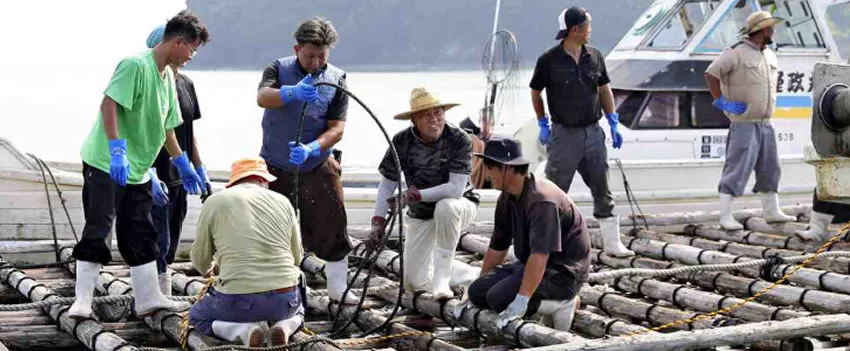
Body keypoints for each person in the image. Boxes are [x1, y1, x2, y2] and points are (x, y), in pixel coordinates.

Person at [67, 11, 208, 319]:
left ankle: (148, 299)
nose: (193, 56)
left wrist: (182, 164)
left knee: (140, 231)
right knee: (98, 227)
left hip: (139, 170)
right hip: (107, 163)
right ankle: (82, 301)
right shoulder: (135, 65)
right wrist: (117, 149)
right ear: (179, 42)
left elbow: (168, 127)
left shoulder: (168, 76)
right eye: (192, 48)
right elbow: (109, 103)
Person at [255, 17, 355, 303]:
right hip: (275, 164)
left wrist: (313, 147)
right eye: (311, 55)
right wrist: (291, 92)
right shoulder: (278, 68)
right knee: (274, 227)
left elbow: (337, 128)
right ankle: (278, 288)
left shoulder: (337, 78)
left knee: (333, 221)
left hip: (316, 162)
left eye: (322, 55)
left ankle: (337, 289)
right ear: (297, 48)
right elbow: (263, 97)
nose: (316, 62)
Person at [530, 7, 634, 257]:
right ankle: (549, 246)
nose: (590, 30)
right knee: (554, 191)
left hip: (593, 133)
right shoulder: (549, 60)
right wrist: (543, 123)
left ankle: (612, 243)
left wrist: (612, 120)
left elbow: (604, 89)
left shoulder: (595, 56)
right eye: (588, 26)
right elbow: (535, 91)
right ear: (575, 29)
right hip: (564, 135)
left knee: (602, 186)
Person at [457, 137, 588, 331]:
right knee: (478, 292)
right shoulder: (507, 197)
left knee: (499, 298)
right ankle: (530, 298)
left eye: (490, 166)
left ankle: (563, 303)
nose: (486, 173)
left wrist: (522, 299)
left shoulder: (542, 201)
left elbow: (541, 255)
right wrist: (479, 284)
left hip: (563, 273)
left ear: (507, 169)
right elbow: (497, 247)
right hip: (531, 265)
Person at [369, 87, 479, 299]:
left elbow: (455, 190)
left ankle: (442, 280)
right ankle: (470, 274)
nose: (435, 119)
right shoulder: (401, 141)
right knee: (413, 281)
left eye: (438, 113)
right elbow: (387, 185)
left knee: (445, 206)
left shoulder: (459, 138)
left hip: (459, 206)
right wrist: (377, 222)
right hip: (421, 212)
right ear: (414, 120)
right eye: (427, 115)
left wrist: (414, 195)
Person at [189, 157, 304, 347]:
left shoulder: (215, 201)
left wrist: (210, 269)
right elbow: (296, 257)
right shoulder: (284, 201)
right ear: (264, 180)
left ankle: (244, 332)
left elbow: (200, 259)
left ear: (234, 181)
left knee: (197, 317)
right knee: (300, 310)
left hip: (238, 301)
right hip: (285, 300)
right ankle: (286, 326)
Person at [704, 11, 796, 230]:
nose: (774, 31)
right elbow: (711, 74)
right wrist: (722, 102)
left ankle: (772, 211)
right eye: (771, 28)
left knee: (770, 167)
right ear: (763, 30)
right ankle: (726, 216)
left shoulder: (770, 55)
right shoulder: (735, 53)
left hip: (766, 122)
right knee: (737, 168)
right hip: (743, 123)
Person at [144, 23, 212, 295]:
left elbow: (188, 131)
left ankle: (162, 289)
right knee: (154, 237)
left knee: (171, 235)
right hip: (154, 172)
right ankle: (154, 294)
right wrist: (147, 171)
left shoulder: (186, 84)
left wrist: (199, 167)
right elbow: (150, 129)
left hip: (179, 176)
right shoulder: (149, 81)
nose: (189, 56)